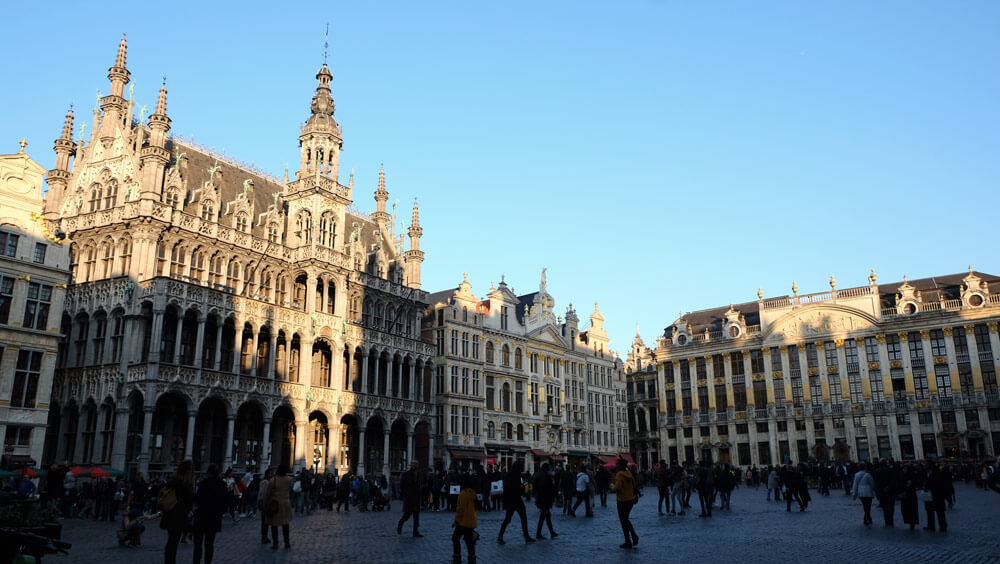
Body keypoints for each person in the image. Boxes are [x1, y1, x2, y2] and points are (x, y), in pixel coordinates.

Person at [159, 460, 195, 564]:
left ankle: (169, 561)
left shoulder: (174, 480)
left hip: (170, 512)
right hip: (179, 515)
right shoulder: (186, 484)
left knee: (171, 540)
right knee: (174, 541)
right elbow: (189, 500)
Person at [192, 464, 229, 564]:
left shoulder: (204, 483)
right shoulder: (222, 485)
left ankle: (196, 562)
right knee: (209, 544)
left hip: (202, 516)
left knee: (198, 544)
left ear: (209, 472)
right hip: (214, 517)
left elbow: (197, 499)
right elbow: (225, 502)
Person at [496, 460, 534, 545]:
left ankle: (500, 535)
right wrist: (524, 487)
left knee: (507, 519)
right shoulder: (516, 476)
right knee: (523, 518)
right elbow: (518, 490)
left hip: (510, 500)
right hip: (516, 500)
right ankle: (526, 536)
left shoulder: (508, 475)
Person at [610, 457, 639, 549]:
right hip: (631, 499)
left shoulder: (619, 474)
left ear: (620, 466)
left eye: (617, 464)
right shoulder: (628, 473)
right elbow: (634, 484)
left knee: (623, 520)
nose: (616, 466)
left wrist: (611, 486)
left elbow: (617, 488)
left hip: (622, 500)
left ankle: (630, 538)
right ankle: (631, 538)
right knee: (625, 519)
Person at [264, 464, 294, 549]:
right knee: (285, 524)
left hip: (275, 504)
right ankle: (287, 543)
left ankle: (275, 543)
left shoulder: (273, 480)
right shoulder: (289, 479)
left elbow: (268, 493)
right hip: (286, 503)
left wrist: (266, 503)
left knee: (274, 524)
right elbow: (291, 490)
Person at [452, 474, 479, 564]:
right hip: (471, 521)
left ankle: (457, 557)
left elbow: (460, 509)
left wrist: (456, 521)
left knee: (455, 538)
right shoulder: (473, 493)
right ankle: (472, 559)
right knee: (469, 541)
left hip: (463, 521)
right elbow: (476, 508)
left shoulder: (463, 493)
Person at [397, 461, 423, 537]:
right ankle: (400, 524)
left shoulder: (420, 474)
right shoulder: (406, 474)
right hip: (409, 498)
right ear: (411, 465)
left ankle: (415, 531)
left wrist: (420, 490)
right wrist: (405, 494)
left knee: (416, 517)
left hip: (417, 498)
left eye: (416, 464)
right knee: (407, 515)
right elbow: (402, 485)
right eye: (413, 464)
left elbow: (421, 483)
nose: (414, 465)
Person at [532, 463, 558, 539]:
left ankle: (551, 532)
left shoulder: (537, 474)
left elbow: (534, 486)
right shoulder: (547, 476)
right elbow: (551, 487)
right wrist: (556, 494)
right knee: (543, 516)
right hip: (545, 499)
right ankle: (539, 534)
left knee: (547, 515)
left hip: (539, 498)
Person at [852, 462, 876, 526]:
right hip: (868, 492)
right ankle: (866, 519)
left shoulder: (856, 475)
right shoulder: (868, 474)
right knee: (868, 506)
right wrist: (874, 490)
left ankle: (868, 518)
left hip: (861, 493)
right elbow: (872, 484)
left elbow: (855, 485)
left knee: (865, 506)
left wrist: (854, 493)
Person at [257, 468, 273, 544]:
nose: (272, 475)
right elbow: (263, 493)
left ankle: (265, 536)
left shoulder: (268, 482)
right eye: (270, 473)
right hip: (265, 503)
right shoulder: (265, 482)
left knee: (266, 521)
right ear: (267, 474)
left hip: (266, 503)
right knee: (264, 521)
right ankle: (264, 537)